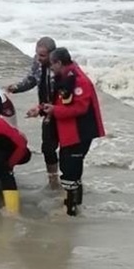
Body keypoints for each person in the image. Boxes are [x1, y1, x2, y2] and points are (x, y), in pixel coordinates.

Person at [40, 47, 105, 216]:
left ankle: (72, 211)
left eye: (52, 64)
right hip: (69, 132)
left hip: (79, 132)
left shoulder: (79, 81)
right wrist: (42, 108)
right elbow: (59, 101)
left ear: (59, 63)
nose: (51, 68)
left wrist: (55, 111)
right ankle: (72, 206)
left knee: (71, 170)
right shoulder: (66, 77)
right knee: (70, 169)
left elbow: (80, 108)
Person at [6, 37, 61, 190]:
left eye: (42, 55)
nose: (38, 58)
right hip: (47, 111)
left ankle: (70, 180)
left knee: (68, 150)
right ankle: (53, 181)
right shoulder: (38, 62)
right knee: (47, 147)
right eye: (37, 54)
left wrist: (40, 109)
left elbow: (60, 96)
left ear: (52, 55)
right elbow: (32, 79)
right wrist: (15, 88)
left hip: (63, 112)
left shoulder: (60, 68)